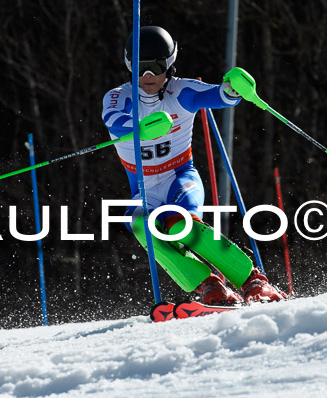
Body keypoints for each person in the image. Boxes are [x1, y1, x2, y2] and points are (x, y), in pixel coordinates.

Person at [101, 26, 286, 305]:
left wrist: (233, 88)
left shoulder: (181, 91)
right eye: (141, 68)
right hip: (144, 188)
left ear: (170, 64)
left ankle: (254, 282)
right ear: (130, 65)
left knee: (180, 225)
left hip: (179, 176)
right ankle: (210, 286)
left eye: (157, 66)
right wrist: (138, 129)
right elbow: (113, 119)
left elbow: (218, 96)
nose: (148, 76)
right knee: (141, 228)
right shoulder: (118, 96)